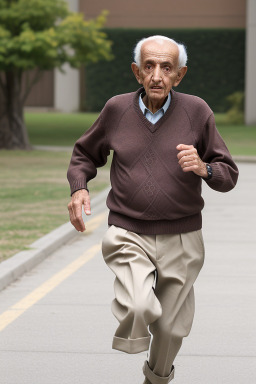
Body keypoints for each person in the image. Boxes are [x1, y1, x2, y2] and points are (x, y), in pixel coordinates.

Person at [67, 35, 238, 384]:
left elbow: (228, 175)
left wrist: (203, 167)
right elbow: (85, 155)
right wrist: (79, 187)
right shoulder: (116, 110)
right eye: (149, 66)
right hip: (128, 233)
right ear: (136, 72)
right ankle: (133, 340)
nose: (157, 75)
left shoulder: (198, 111)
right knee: (141, 306)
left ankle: (155, 379)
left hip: (183, 237)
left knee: (171, 331)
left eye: (166, 67)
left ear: (180, 75)